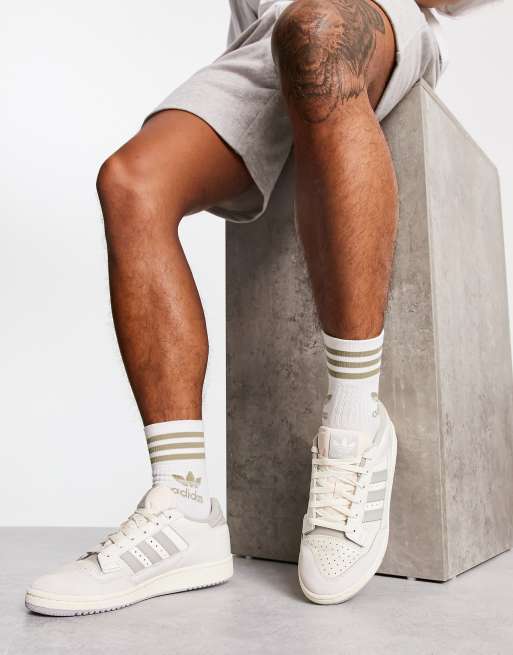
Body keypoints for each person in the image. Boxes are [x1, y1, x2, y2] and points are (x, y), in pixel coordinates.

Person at [25, 0, 498, 614]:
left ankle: (354, 427)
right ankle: (183, 505)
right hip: (262, 33)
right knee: (131, 184)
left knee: (317, 31)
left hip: (367, 16)